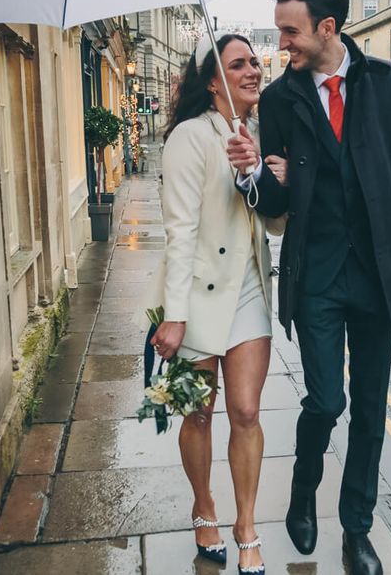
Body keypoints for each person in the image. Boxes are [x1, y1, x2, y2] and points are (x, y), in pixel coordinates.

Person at [227, 0, 391, 575]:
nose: (282, 45)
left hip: (380, 275)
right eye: (279, 32)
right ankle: (304, 489)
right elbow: (277, 206)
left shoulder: (389, 85)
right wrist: (256, 173)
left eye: (290, 31)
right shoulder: (279, 100)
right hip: (317, 276)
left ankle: (357, 530)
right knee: (326, 401)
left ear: (328, 27)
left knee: (372, 410)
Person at [149, 32, 286, 575]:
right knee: (199, 414)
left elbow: (274, 222)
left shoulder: (256, 134)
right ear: (213, 80)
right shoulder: (188, 137)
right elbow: (179, 232)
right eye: (239, 63)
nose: (253, 70)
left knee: (247, 412)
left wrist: (265, 174)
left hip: (249, 286)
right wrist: (174, 315)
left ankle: (246, 525)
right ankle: (205, 507)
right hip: (199, 294)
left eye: (256, 61)